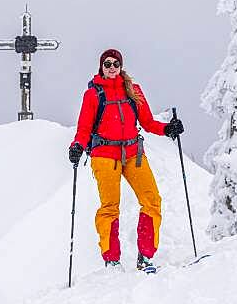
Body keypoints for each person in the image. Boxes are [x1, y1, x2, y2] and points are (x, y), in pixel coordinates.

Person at [68, 49, 184, 271]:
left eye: (115, 64)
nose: (111, 67)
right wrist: (77, 147)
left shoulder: (133, 90)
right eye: (107, 64)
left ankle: (146, 255)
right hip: (104, 155)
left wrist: (168, 128)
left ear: (121, 67)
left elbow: (148, 122)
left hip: (133, 153)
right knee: (110, 207)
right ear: (101, 67)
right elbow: (84, 129)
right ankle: (112, 259)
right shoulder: (93, 94)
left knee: (152, 200)